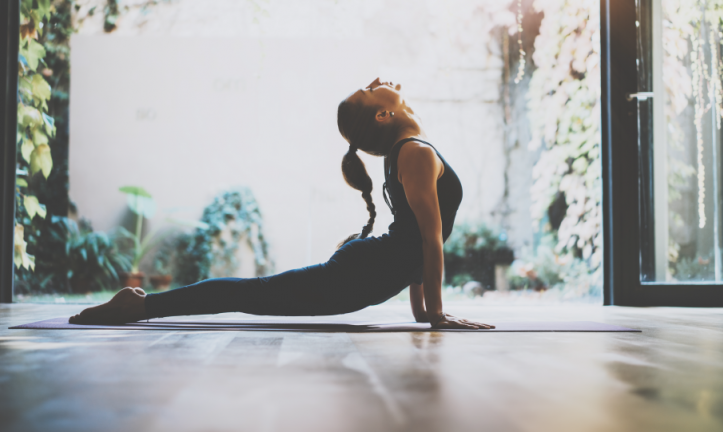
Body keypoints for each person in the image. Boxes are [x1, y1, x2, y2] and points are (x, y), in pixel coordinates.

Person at [69, 78, 494, 330]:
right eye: (371, 89)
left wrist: (423, 312)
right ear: (383, 116)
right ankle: (139, 305)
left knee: (256, 294)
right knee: (253, 294)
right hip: (362, 273)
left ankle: (141, 304)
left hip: (369, 271)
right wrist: (434, 313)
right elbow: (428, 239)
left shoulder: (408, 151)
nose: (381, 82)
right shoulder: (415, 152)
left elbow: (416, 242)